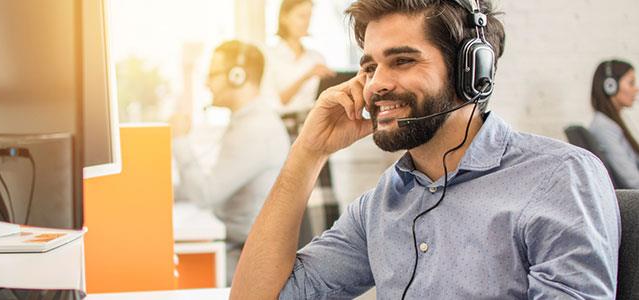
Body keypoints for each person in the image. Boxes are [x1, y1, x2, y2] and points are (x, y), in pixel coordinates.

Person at [231, 0, 621, 299]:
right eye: (368, 67)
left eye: (401, 60)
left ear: (472, 71)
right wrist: (308, 151)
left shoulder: (559, 178)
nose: (375, 85)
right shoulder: (382, 204)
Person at [170, 40, 290, 284]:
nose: (207, 83)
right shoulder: (247, 122)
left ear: (238, 76)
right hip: (238, 247)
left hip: (243, 259)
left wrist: (181, 140)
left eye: (213, 75)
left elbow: (205, 194)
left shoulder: (255, 130)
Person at [264, 0, 336, 117]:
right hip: (282, 125)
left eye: (309, 16)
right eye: (302, 16)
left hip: (312, 122)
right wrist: (306, 76)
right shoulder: (269, 57)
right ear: (284, 17)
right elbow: (278, 101)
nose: (307, 22)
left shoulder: (317, 58)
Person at [589, 59, 639, 188]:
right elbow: (632, 180)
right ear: (610, 86)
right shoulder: (604, 127)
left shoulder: (609, 124)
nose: (636, 89)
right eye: (631, 83)